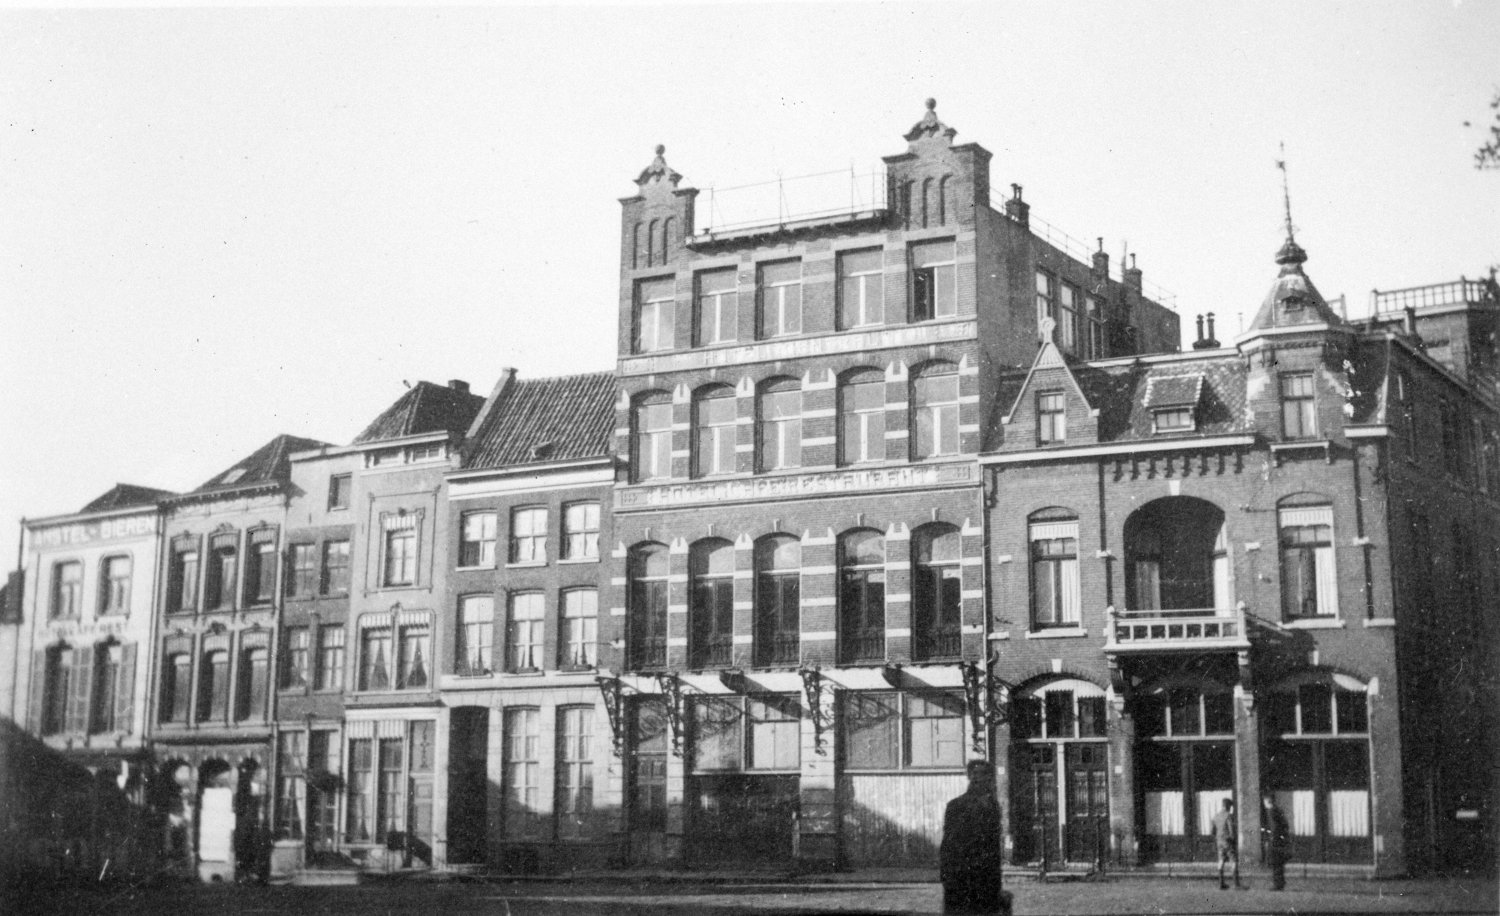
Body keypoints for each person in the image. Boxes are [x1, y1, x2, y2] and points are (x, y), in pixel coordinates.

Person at [940, 759, 1010, 915]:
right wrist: (946, 874)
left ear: (989, 778)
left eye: (984, 774)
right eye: (975, 774)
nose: (978, 778)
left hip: (986, 877)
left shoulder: (993, 807)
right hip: (961, 876)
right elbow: (948, 843)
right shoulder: (955, 805)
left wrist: (995, 880)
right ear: (969, 776)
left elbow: (993, 846)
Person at [1210, 798, 1243, 889]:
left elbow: (1212, 831)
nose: (1230, 808)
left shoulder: (1216, 816)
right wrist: (1233, 839)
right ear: (1228, 806)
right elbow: (1231, 830)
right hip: (1228, 841)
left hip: (1219, 841)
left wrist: (1217, 837)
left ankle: (1221, 883)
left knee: (1221, 860)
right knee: (1233, 860)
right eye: (1230, 806)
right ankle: (1236, 883)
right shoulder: (1228, 816)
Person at [1261, 794, 1290, 891]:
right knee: (1279, 862)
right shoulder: (1278, 810)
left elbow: (1274, 827)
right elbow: (1285, 824)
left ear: (1267, 801)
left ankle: (1277, 884)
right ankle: (1280, 882)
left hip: (1275, 840)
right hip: (1280, 839)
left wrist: (1271, 838)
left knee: (1275, 862)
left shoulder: (1271, 811)